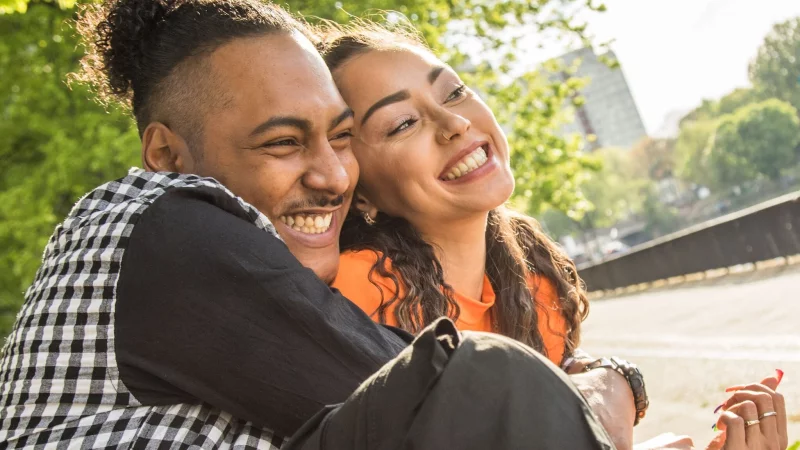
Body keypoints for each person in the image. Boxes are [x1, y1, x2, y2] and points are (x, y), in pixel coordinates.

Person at [0, 0, 617, 448]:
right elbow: (462, 399)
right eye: (283, 143)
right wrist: (613, 390)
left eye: (341, 137)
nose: (333, 176)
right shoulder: (164, 228)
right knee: (491, 374)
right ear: (167, 156)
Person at [315, 20, 790, 450]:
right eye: (403, 123)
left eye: (454, 92)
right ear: (358, 189)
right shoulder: (357, 301)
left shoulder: (532, 279)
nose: (455, 123)